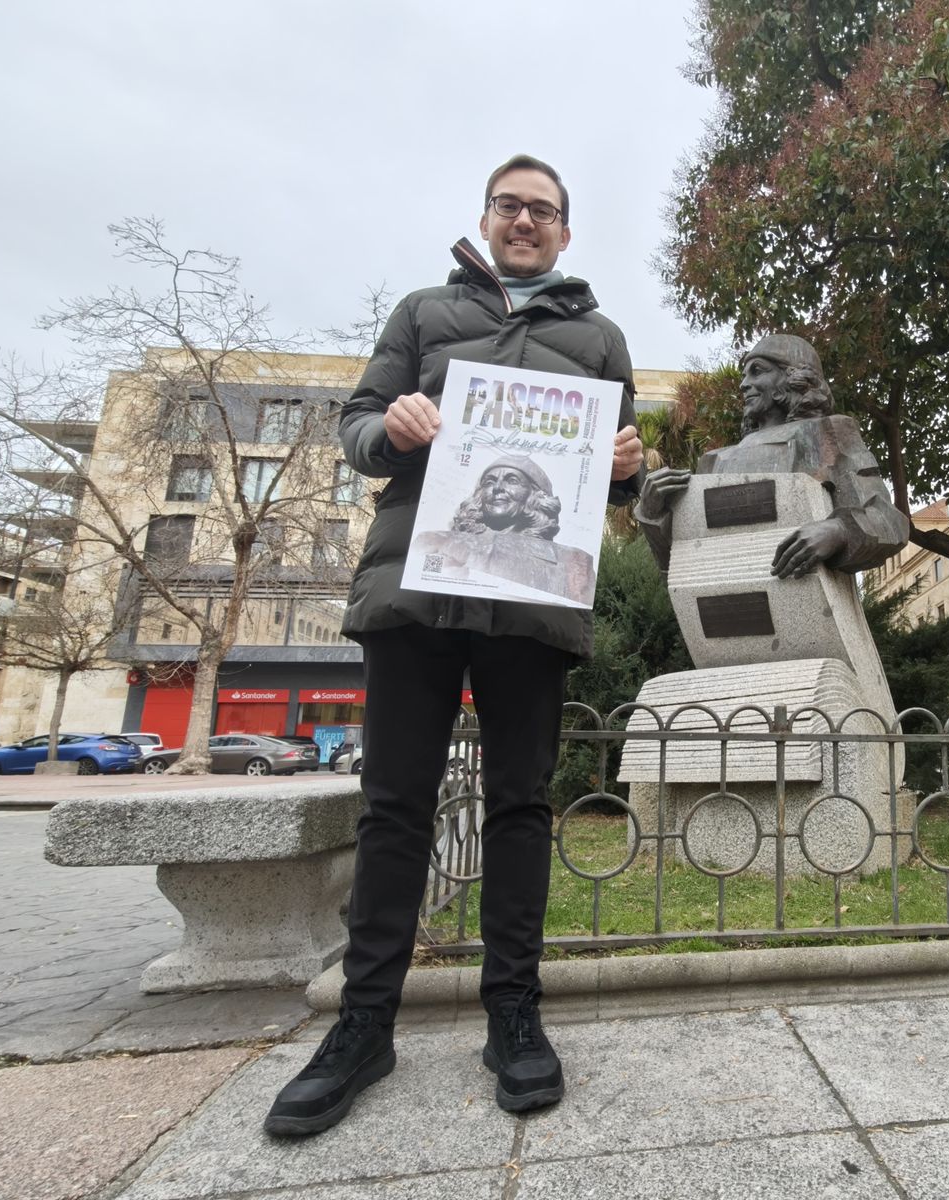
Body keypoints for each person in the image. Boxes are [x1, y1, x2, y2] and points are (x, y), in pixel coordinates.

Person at [263, 154, 643, 1135]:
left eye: (544, 210)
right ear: (485, 218)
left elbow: (614, 479)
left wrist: (625, 471)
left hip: (531, 604)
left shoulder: (600, 339)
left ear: (566, 232)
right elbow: (353, 431)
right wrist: (390, 428)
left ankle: (513, 1013)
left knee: (521, 807)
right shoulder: (425, 314)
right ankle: (363, 1026)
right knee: (393, 809)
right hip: (413, 592)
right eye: (510, 205)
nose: (525, 221)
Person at [636, 333, 906, 578]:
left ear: (792, 378)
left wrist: (838, 531)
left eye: (757, 372)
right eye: (744, 375)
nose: (744, 384)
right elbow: (679, 568)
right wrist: (651, 514)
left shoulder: (826, 434)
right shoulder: (714, 460)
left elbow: (890, 522)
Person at [412, 453, 597, 604]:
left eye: (512, 480)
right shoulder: (436, 541)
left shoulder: (574, 563)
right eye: (489, 482)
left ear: (535, 495)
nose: (497, 488)